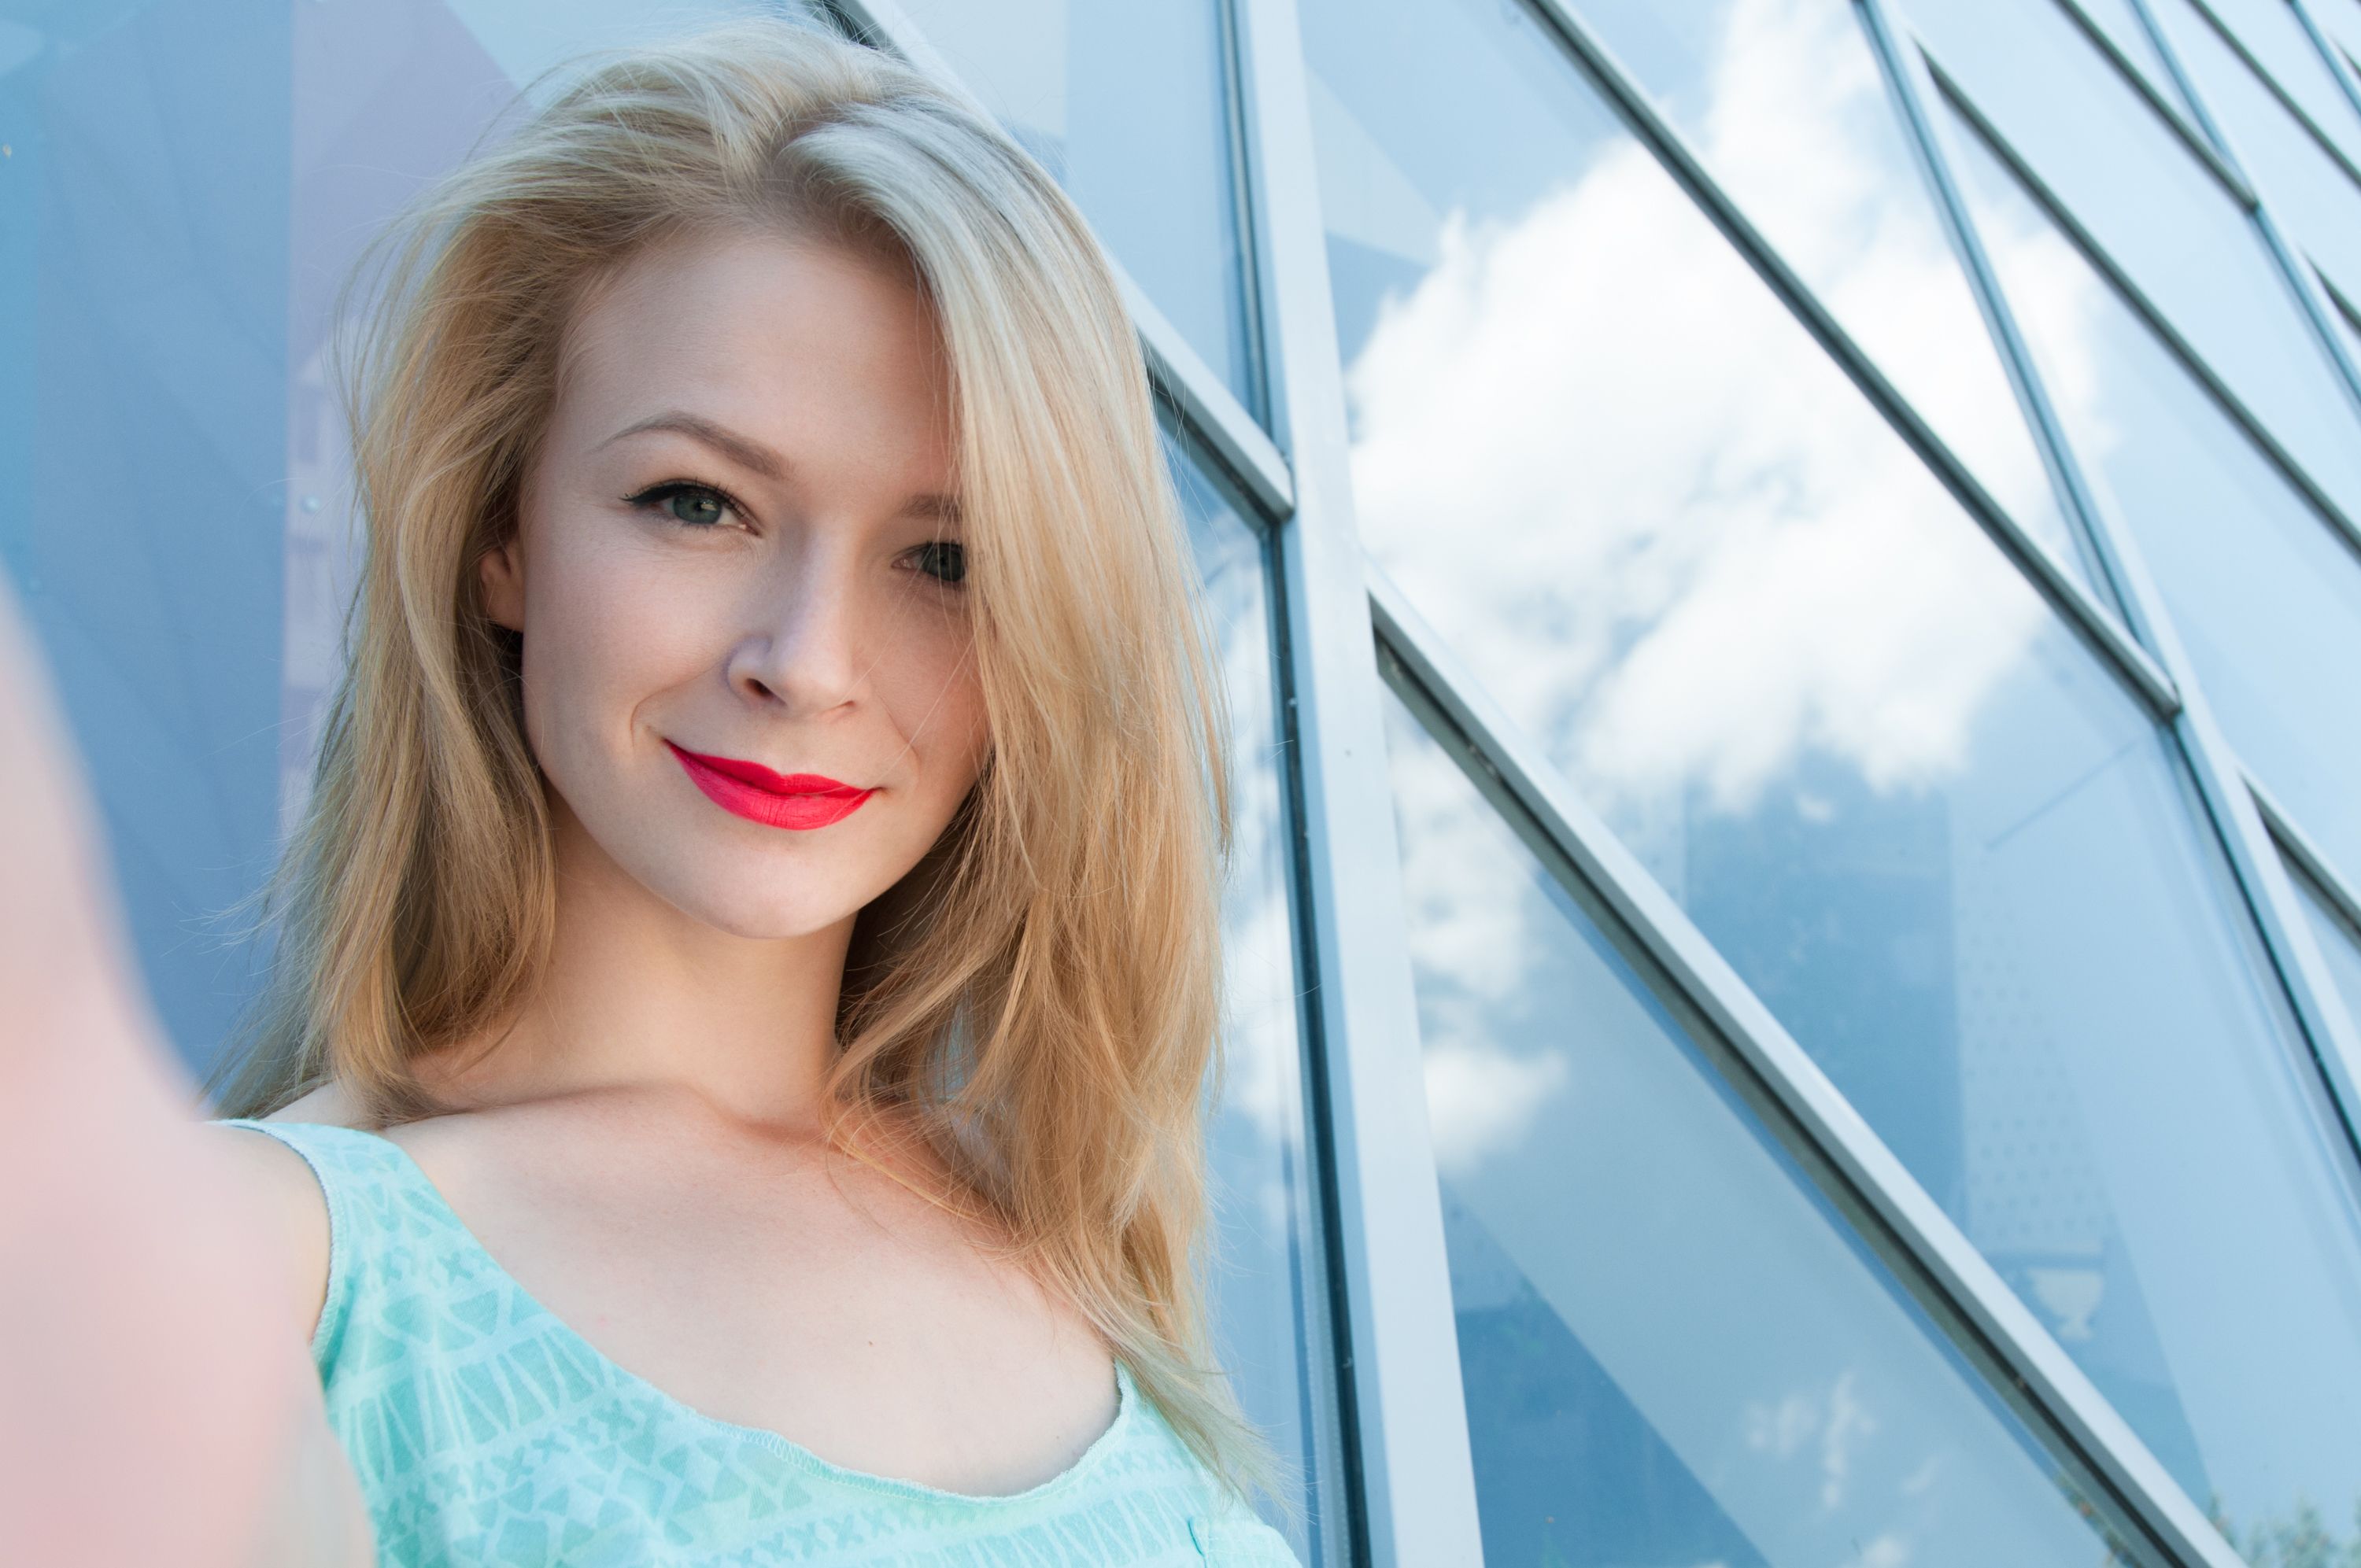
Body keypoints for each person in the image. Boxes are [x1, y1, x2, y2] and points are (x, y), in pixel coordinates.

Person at [0, 13, 1302, 1564]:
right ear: (502, 535)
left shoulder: (1075, 1250)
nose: (807, 660)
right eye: (700, 503)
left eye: (944, 560)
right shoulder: (264, 1272)